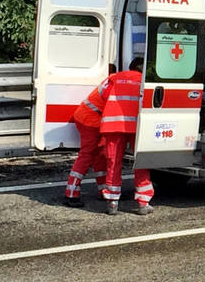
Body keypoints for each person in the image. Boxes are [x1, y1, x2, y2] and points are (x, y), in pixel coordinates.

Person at [101, 57, 154, 215]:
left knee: (113, 161)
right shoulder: (144, 81)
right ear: (143, 70)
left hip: (112, 124)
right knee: (140, 162)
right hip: (136, 126)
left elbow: (103, 95)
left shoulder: (114, 77)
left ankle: (112, 202)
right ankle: (143, 202)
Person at [63, 76, 113, 207]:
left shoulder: (115, 78)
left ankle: (103, 190)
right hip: (90, 120)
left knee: (100, 154)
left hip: (90, 117)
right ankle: (71, 193)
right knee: (87, 155)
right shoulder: (128, 81)